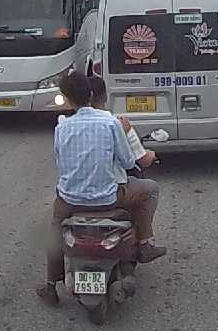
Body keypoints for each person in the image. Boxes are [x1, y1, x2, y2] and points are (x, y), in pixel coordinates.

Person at [37, 72, 166, 306]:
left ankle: (50, 285)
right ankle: (144, 244)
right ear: (91, 94)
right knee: (150, 189)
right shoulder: (111, 123)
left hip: (69, 200)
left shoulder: (62, 127)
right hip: (108, 198)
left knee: (54, 232)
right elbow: (128, 162)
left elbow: (60, 161)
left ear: (67, 99)